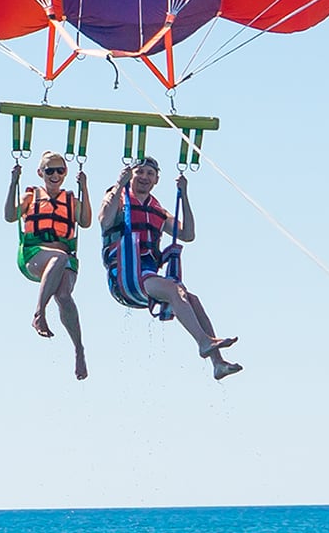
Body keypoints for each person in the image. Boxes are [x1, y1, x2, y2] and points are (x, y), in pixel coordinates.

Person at [102, 156, 242, 381]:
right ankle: (204, 342)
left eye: (150, 174)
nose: (145, 177)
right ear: (131, 175)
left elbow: (188, 234)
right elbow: (105, 221)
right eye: (140, 172)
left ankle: (218, 363)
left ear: (157, 179)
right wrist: (119, 184)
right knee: (175, 290)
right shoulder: (119, 199)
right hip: (126, 275)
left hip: (147, 274)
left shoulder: (158, 211)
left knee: (192, 299)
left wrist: (184, 194)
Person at [6, 153, 89, 379]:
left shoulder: (71, 200)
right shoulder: (31, 196)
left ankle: (79, 350)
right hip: (34, 255)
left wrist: (85, 187)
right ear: (40, 173)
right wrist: (13, 183)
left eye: (60, 170)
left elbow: (86, 222)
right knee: (58, 258)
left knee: (63, 297)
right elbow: (9, 216)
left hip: (65, 257)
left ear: (65, 173)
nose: (55, 175)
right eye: (49, 170)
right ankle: (39, 313)